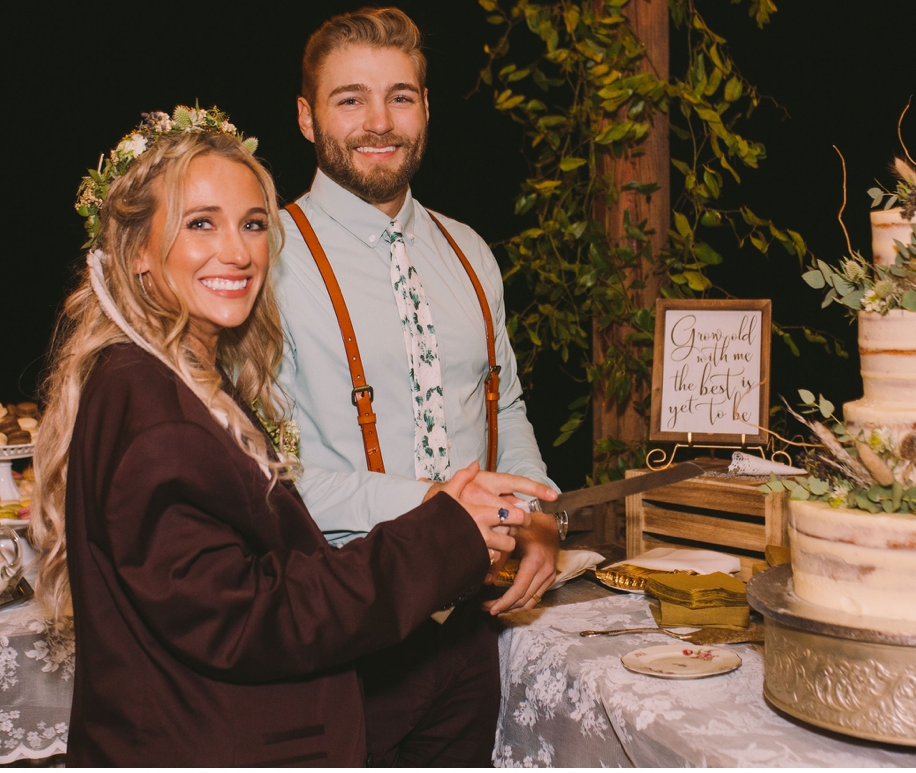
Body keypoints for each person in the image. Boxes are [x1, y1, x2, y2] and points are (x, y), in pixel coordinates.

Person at [30, 106, 556, 766]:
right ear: (137, 253)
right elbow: (248, 616)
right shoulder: (149, 403)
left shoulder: (181, 378)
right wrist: (444, 531)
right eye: (201, 224)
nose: (238, 250)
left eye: (253, 224)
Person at [273, 8, 562, 766]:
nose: (379, 121)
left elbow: (505, 406)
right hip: (345, 632)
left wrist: (534, 516)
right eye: (350, 100)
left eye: (401, 96)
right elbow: (274, 480)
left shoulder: (468, 250)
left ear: (426, 109)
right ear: (307, 118)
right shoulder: (263, 257)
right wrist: (445, 508)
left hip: (467, 639)